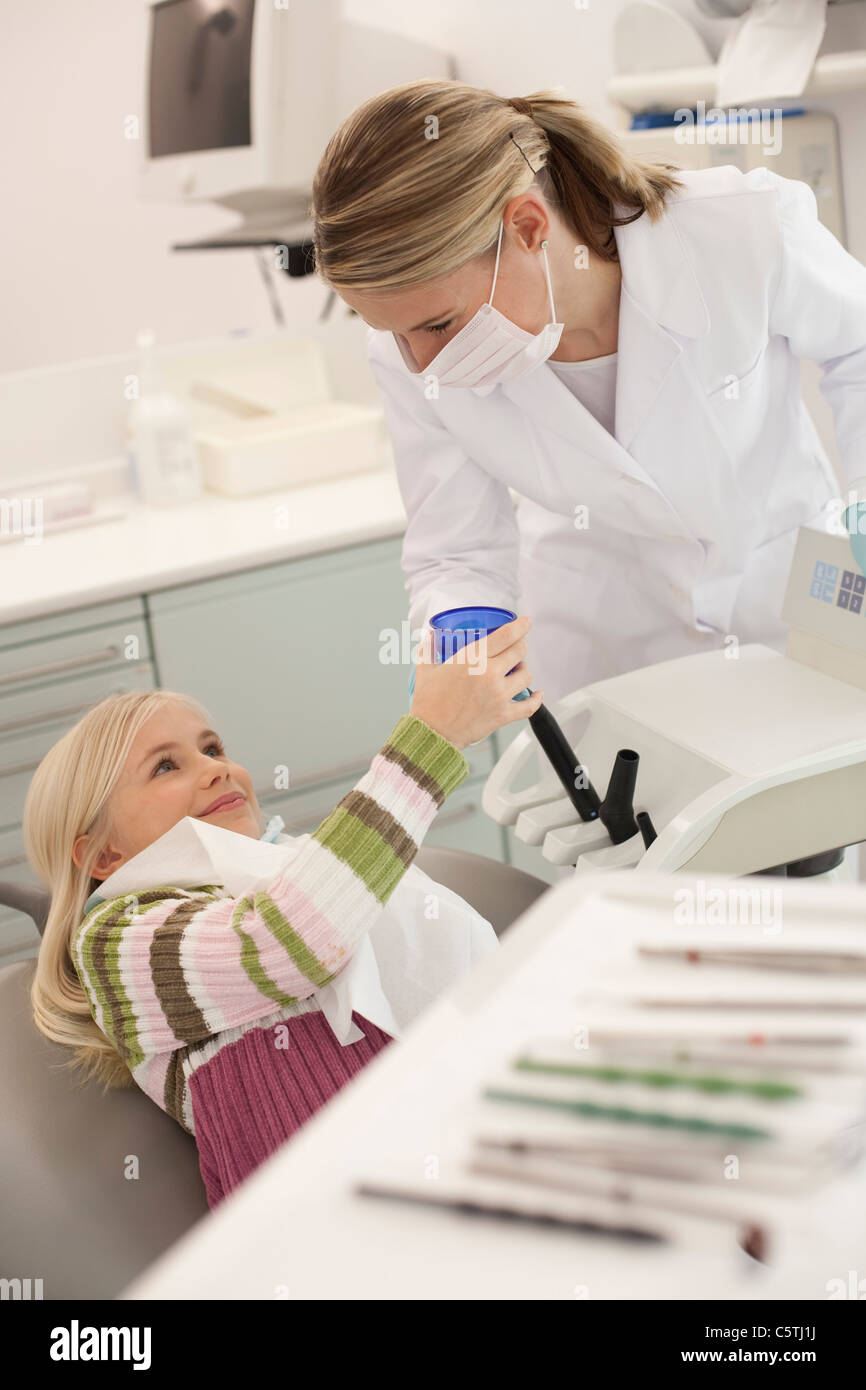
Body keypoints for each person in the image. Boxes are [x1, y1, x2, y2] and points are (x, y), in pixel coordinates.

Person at [311, 80, 866, 704]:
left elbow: (858, 344)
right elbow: (456, 549)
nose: (423, 364)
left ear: (527, 226)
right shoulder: (407, 353)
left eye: (437, 324)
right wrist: (461, 623)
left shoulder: (739, 228)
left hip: (784, 610)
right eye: (395, 335)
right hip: (604, 647)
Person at [24, 619, 541, 1208]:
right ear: (103, 852)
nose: (216, 767)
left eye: (212, 748)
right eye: (166, 766)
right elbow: (288, 940)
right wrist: (432, 738)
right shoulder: (118, 939)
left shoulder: (291, 871)